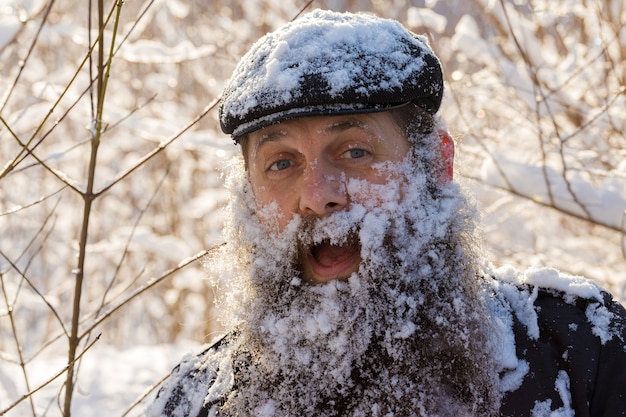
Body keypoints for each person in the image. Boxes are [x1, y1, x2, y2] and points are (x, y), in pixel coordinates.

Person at [146, 9, 626, 417]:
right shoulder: (193, 402)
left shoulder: (582, 354)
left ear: (436, 164)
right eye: (282, 163)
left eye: (355, 151)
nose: (317, 195)